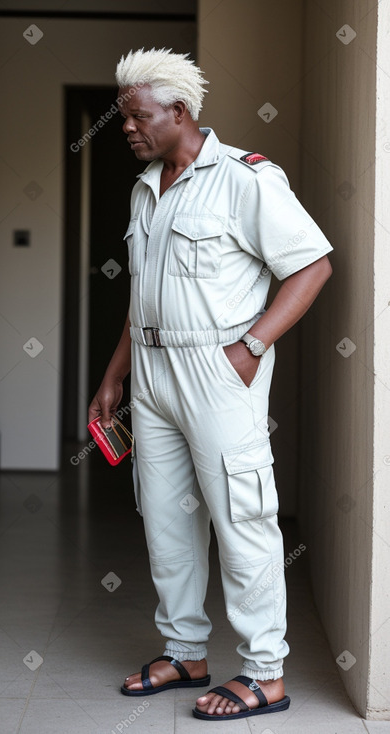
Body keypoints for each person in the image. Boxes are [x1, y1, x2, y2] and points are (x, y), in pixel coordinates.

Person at [88, 47, 333, 722]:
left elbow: (311, 265)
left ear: (179, 112)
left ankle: (264, 674)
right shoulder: (148, 187)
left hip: (216, 370)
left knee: (242, 520)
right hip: (151, 371)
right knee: (166, 519)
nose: (127, 128)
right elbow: (144, 299)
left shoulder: (244, 178)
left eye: (136, 117)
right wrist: (114, 377)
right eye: (122, 118)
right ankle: (185, 652)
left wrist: (252, 346)